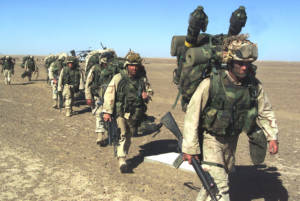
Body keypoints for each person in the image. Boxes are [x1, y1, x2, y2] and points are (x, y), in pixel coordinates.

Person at [181, 37, 279, 201]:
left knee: (210, 186)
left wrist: (272, 136)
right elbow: (193, 114)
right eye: (240, 63)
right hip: (210, 140)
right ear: (230, 62)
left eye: (247, 63)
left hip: (231, 141)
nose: (244, 67)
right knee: (221, 187)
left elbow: (265, 111)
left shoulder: (254, 86)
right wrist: (190, 148)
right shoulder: (211, 83)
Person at [102, 51, 152, 173]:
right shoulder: (118, 78)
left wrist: (146, 95)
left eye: (136, 65)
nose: (134, 68)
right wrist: (107, 112)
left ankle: (122, 154)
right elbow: (109, 95)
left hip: (135, 113)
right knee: (122, 134)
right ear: (126, 66)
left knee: (129, 135)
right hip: (120, 112)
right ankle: (122, 159)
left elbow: (150, 91)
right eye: (131, 65)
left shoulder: (142, 79)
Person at [85, 55, 119, 146]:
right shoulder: (95, 69)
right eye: (104, 63)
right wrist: (88, 97)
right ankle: (100, 136)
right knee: (99, 116)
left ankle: (112, 134)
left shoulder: (115, 70)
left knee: (112, 117)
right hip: (98, 97)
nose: (106, 65)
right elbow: (88, 83)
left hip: (112, 98)